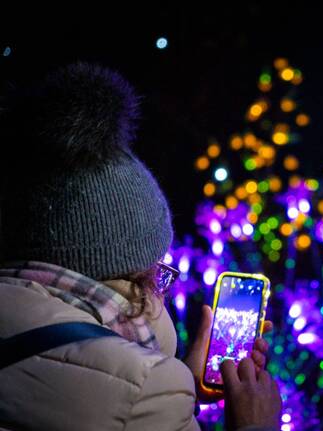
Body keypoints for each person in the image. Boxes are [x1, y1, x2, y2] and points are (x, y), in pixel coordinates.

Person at [0, 63, 282, 431]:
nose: (159, 287)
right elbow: (124, 402)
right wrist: (254, 425)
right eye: (157, 270)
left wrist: (181, 392)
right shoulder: (148, 387)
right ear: (123, 269)